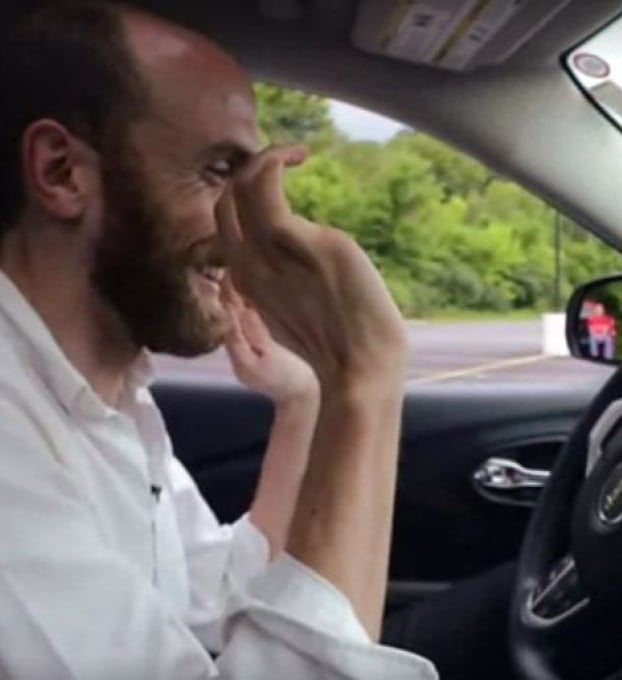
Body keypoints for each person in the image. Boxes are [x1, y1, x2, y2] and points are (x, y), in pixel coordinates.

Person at [0, 2, 511, 678]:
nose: (247, 228)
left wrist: (308, 402)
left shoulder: (112, 397)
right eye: (219, 172)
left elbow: (218, 593)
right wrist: (364, 380)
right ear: (62, 173)